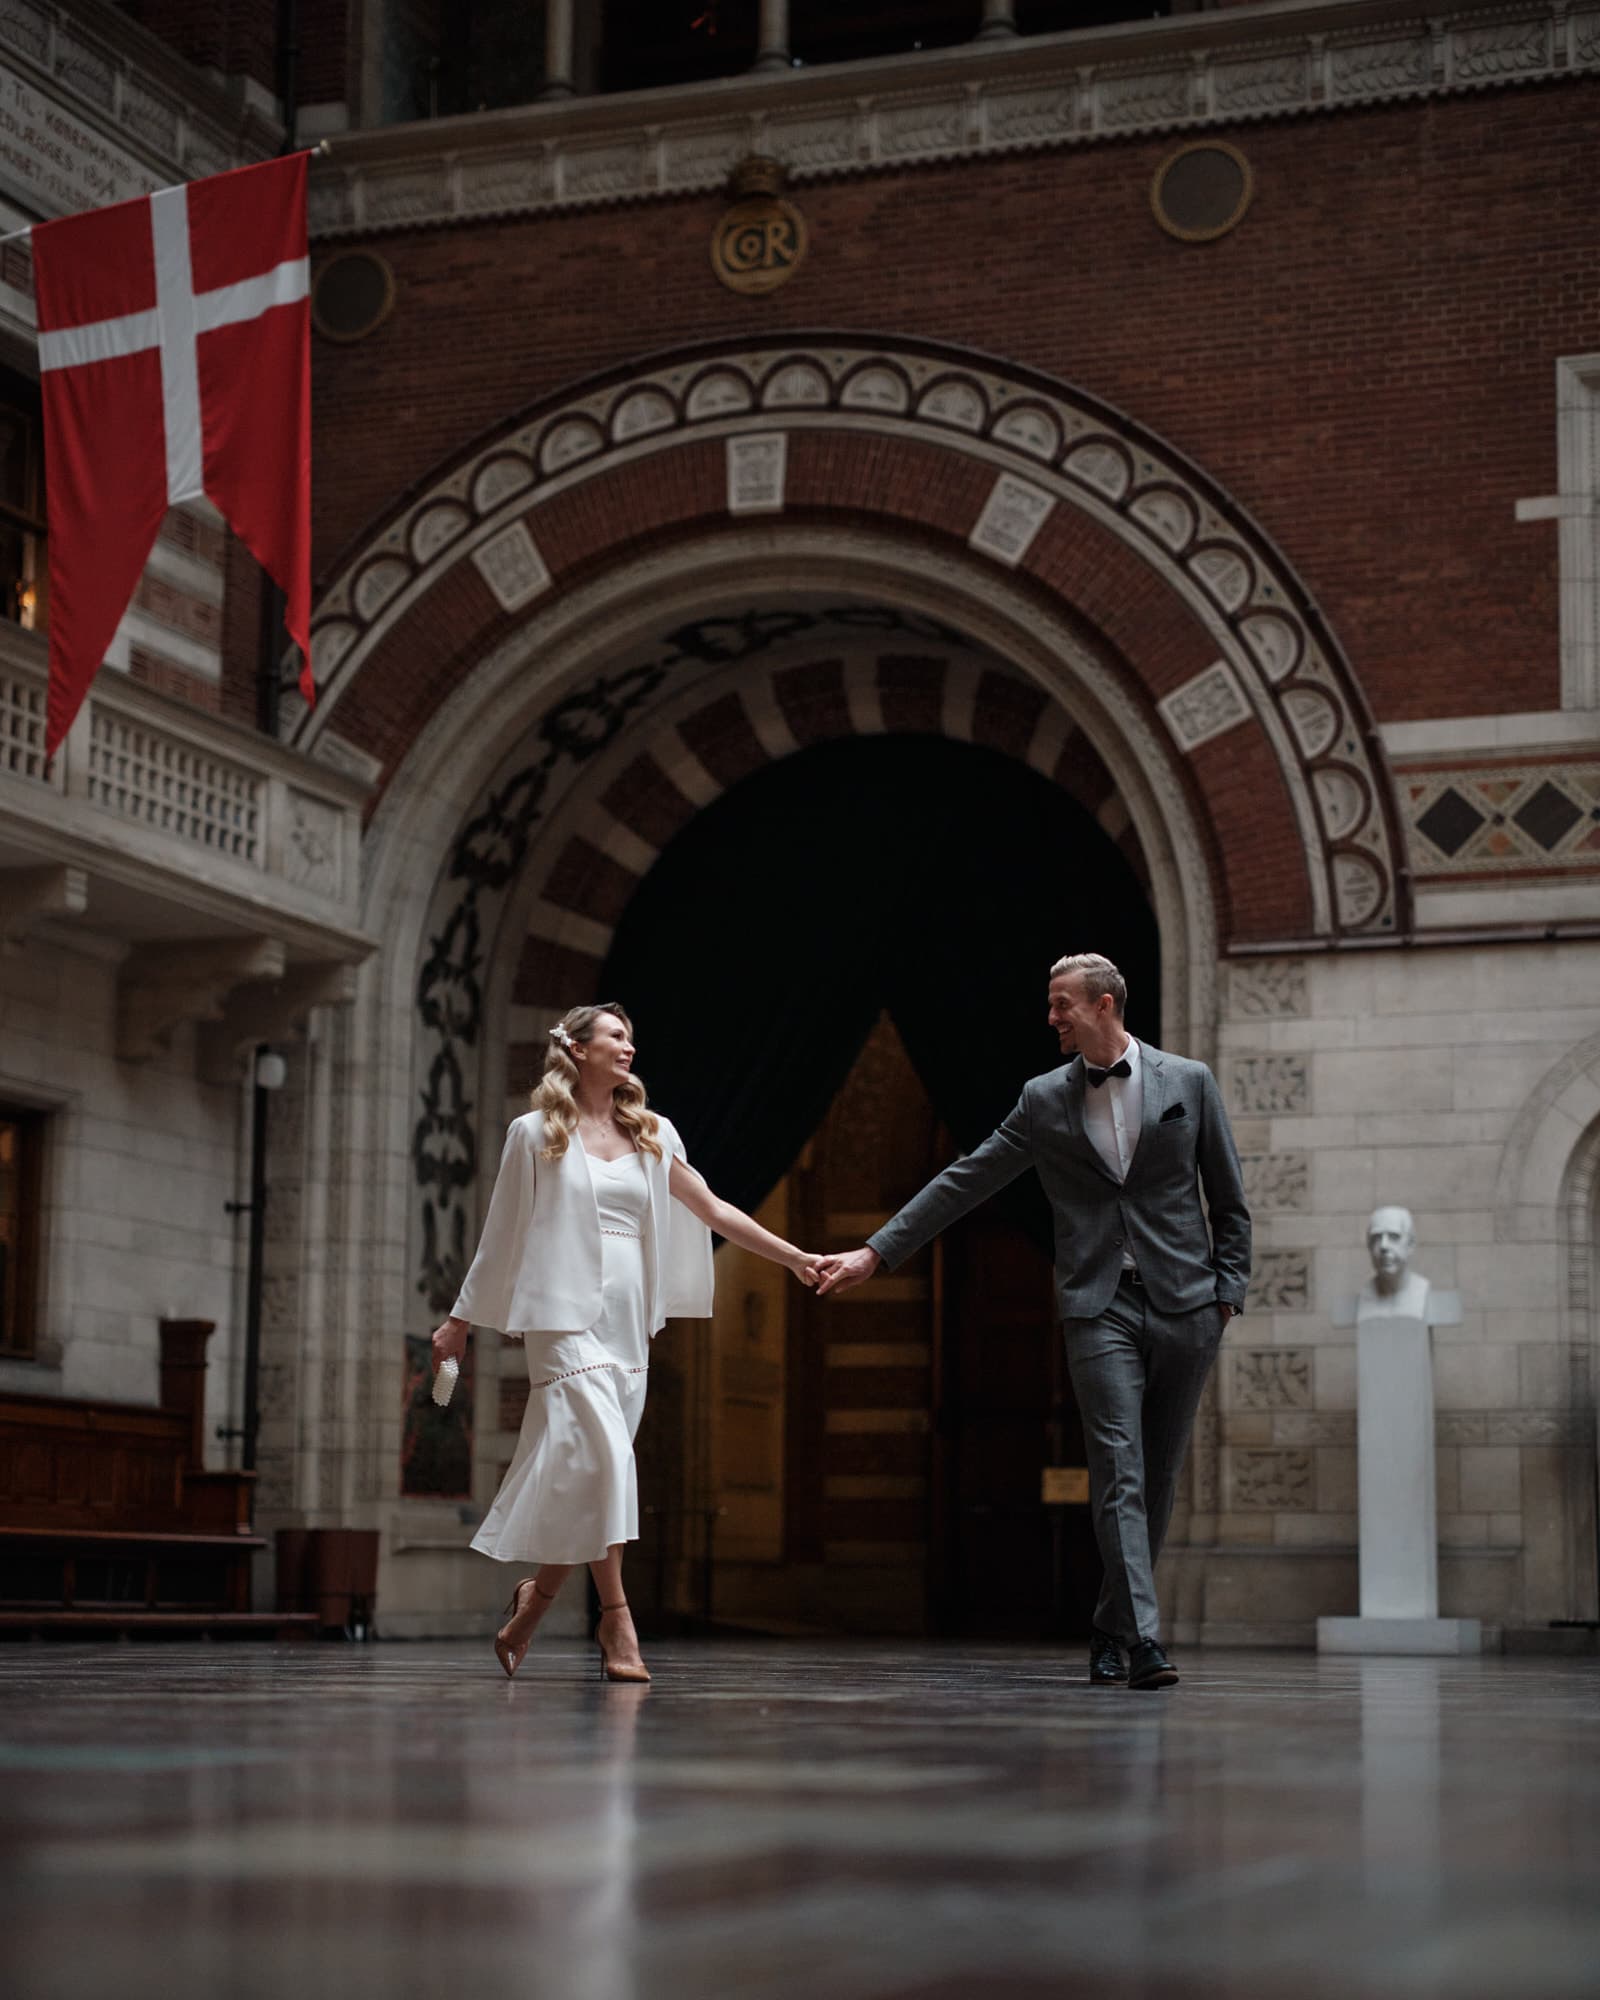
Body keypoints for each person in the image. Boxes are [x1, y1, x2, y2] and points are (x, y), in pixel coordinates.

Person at [817, 953, 1250, 1690]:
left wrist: (1227, 1291)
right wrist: (874, 1253)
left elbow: (1228, 1197)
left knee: (1161, 1475)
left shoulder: (1190, 1082)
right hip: (1097, 1305)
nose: (1050, 1018)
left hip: (1187, 1306)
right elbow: (967, 1177)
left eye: (1061, 1005)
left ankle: (1110, 1626)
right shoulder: (1043, 1099)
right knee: (1118, 1466)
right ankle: (1144, 1638)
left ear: (1105, 1005)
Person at [431, 1002, 822, 1684]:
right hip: (561, 1320)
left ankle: (533, 1604)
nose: (629, 1047)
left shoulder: (653, 1134)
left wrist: (794, 1258)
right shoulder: (534, 1133)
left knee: (592, 1476)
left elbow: (713, 1207)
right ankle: (618, 1619)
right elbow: (501, 1235)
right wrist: (459, 1320)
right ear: (577, 1050)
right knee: (609, 1462)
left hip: (626, 1321)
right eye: (615, 1036)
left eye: (631, 1038)